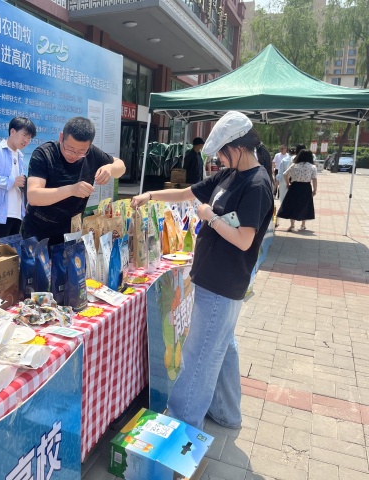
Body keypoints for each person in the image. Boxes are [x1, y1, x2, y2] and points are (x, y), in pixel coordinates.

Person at [131, 111, 274, 431]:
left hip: (224, 281)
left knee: (199, 356)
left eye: (222, 153)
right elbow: (187, 193)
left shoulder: (256, 184)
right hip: (212, 276)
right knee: (222, 346)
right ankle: (226, 412)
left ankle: (180, 422)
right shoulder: (231, 175)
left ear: (238, 148)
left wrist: (210, 217)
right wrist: (150, 195)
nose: (219, 159)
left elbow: (243, 239)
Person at [22, 116, 126, 245]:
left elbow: (121, 167)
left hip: (70, 232)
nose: (74, 155)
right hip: (38, 232)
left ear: (89, 146)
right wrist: (72, 190)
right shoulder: (44, 154)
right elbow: (34, 196)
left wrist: (110, 168)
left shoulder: (92, 154)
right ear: (61, 137)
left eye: (81, 151)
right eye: (70, 149)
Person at [0, 117, 37, 247]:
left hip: (16, 214)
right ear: (12, 131)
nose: (26, 141)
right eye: (24, 135)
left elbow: (18, 183)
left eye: (29, 138)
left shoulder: (20, 156)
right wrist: (12, 181)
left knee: (11, 255)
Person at [276, 149, 317, 231]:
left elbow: (285, 174)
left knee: (292, 205)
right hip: (306, 187)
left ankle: (292, 225)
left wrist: (288, 184)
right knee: (305, 205)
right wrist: (315, 190)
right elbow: (314, 179)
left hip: (294, 186)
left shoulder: (294, 165)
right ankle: (303, 225)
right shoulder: (312, 167)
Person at [275, 144, 304, 227]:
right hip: (294, 183)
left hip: (284, 183)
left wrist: (277, 181)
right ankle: (295, 223)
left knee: (282, 202)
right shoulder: (300, 161)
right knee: (293, 203)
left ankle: (276, 221)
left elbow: (280, 173)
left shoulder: (284, 160)